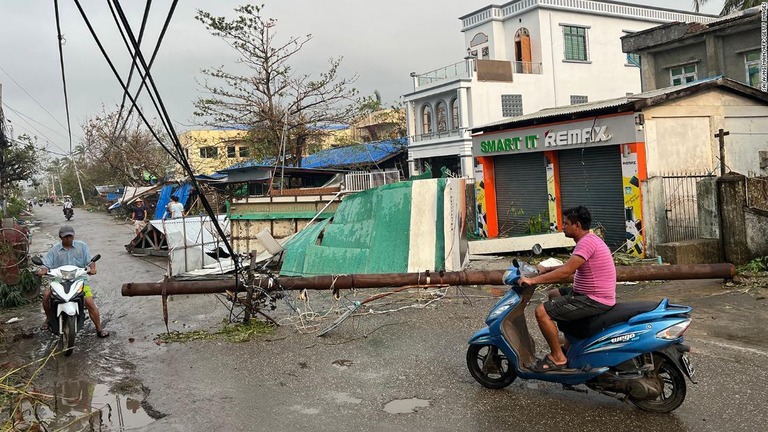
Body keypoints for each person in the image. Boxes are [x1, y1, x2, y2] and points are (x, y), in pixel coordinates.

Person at [519, 206, 616, 372]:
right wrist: (546, 269)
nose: (562, 227)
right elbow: (570, 266)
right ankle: (569, 345)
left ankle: (558, 357)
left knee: (541, 312)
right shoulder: (589, 240)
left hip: (593, 299)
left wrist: (533, 280)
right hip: (588, 294)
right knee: (553, 294)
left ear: (577, 225)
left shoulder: (586, 243)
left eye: (565, 223)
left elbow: (566, 272)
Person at [37, 225, 109, 338]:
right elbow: (46, 264)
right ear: (60, 237)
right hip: (58, 280)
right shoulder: (54, 250)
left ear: (73, 236)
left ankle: (99, 328)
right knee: (46, 296)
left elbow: (90, 261)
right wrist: (43, 271)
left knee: (89, 302)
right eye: (65, 237)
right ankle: (49, 318)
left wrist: (93, 269)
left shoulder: (82, 246)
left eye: (70, 236)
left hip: (79, 280)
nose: (68, 239)